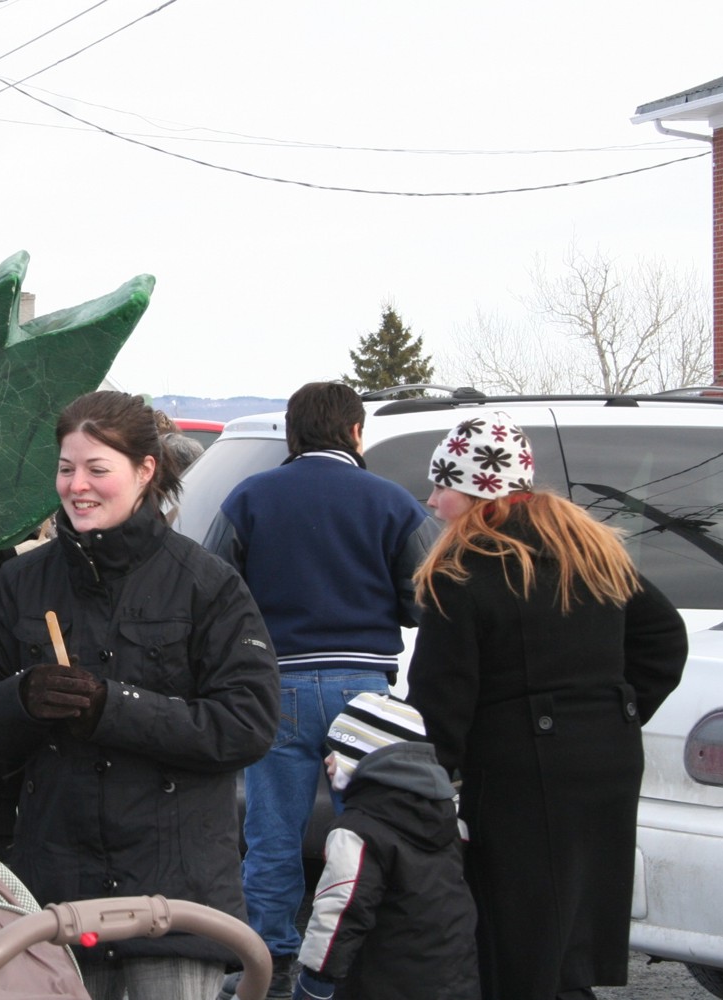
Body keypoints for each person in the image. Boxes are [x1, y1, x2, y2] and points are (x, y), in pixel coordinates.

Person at [0, 389, 280, 1000]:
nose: (78, 486)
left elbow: (248, 723)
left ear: (144, 470)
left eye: (98, 469)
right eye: (67, 468)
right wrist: (22, 698)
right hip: (56, 893)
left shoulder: (206, 584)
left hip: (176, 899)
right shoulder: (22, 582)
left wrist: (113, 707)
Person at [406, 411, 688, 1000]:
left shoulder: (461, 573)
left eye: (443, 486)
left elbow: (441, 702)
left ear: (483, 495)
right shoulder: (592, 551)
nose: (432, 502)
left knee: (517, 944)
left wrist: (422, 785)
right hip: (606, 766)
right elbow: (663, 638)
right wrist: (617, 711)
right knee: (570, 939)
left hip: (516, 778)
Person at [203, 382, 437, 999]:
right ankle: (350, 963)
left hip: (276, 684)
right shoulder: (392, 502)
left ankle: (268, 960)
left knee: (272, 835)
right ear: (356, 433)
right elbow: (424, 599)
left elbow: (215, 592)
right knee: (371, 832)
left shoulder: (250, 496)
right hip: (367, 689)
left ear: (292, 432)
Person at [291, 692, 479, 1000]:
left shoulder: (357, 831)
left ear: (363, 758)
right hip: (453, 980)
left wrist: (316, 979)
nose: (326, 759)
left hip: (381, 984)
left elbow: (341, 910)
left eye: (337, 750)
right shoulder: (447, 819)